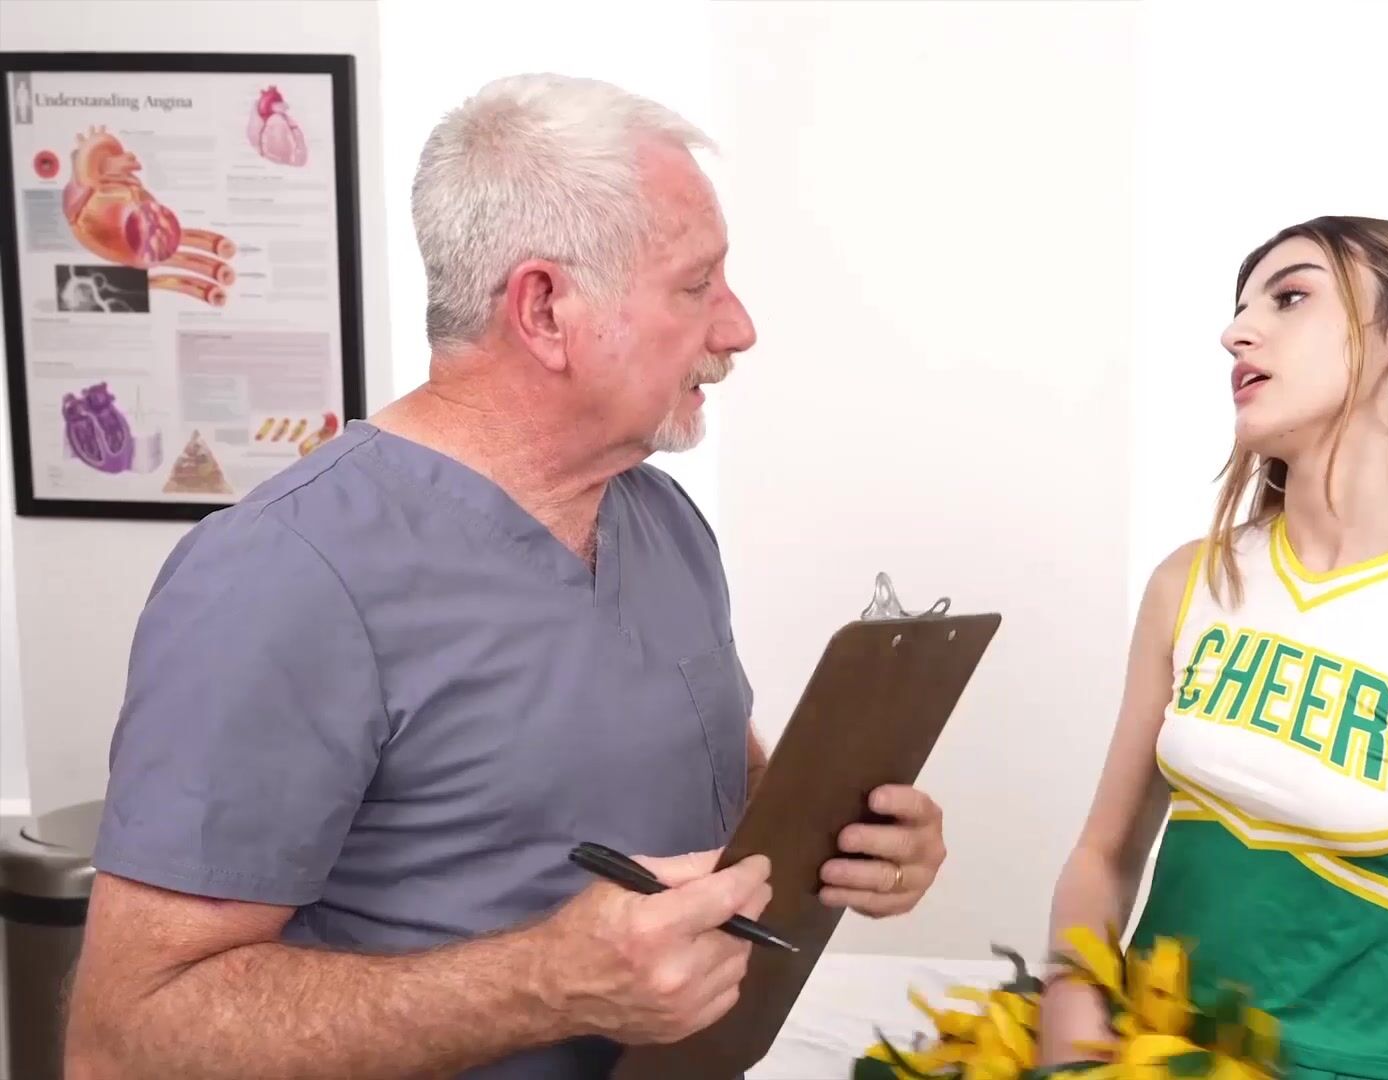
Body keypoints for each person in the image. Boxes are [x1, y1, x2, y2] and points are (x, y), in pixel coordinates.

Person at [63, 73, 948, 1080]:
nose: (737, 327)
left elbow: (721, 798)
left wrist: (844, 840)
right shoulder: (280, 575)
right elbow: (123, 1043)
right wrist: (542, 984)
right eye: (696, 284)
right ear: (545, 308)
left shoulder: (661, 521)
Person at [1037, 216, 1388, 1079]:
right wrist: (1073, 1025)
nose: (1236, 332)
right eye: (1240, 308)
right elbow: (1102, 857)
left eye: (1291, 297)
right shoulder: (1190, 583)